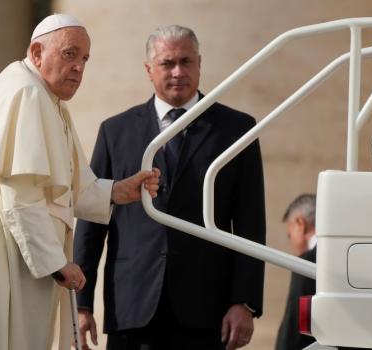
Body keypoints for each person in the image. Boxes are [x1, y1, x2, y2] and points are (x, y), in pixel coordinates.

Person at [0, 14, 160, 350]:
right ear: (37, 53)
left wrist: (116, 191)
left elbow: (65, 186)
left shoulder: (44, 97)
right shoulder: (26, 94)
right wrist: (56, 263)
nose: (79, 67)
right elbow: (21, 196)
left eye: (84, 59)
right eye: (70, 54)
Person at [74, 24, 266, 350]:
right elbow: (92, 219)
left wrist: (244, 302)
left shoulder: (237, 129)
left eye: (186, 62)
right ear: (149, 69)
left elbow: (249, 222)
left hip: (207, 310)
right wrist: (81, 303)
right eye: (167, 63)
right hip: (132, 306)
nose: (178, 72)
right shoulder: (115, 132)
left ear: (200, 64)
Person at [275, 193, 317, 349]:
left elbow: (294, 325)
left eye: (289, 235)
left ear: (300, 223)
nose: (291, 242)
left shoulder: (306, 263)